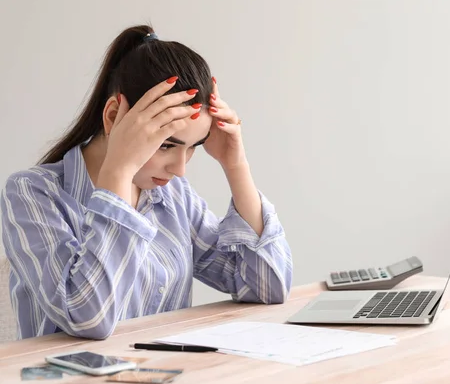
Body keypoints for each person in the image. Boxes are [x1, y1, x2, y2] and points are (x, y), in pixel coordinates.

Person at [0, 25, 293, 340]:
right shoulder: (33, 193)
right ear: (113, 116)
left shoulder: (172, 196)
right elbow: (88, 318)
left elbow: (267, 286)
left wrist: (236, 164)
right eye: (167, 145)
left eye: (192, 147)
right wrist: (119, 171)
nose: (180, 170)